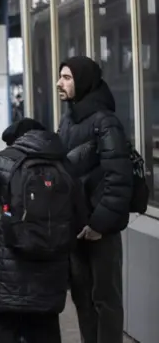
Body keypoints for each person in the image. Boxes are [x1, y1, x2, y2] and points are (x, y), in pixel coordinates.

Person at [0, 118, 86, 343]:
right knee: (46, 329)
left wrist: (0, 231)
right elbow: (79, 215)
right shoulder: (64, 164)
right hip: (50, 272)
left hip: (5, 272)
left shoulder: (4, 160)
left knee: (5, 329)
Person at [56, 56, 133, 343]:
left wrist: (99, 223)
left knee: (105, 301)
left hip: (100, 230)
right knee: (82, 299)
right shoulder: (69, 119)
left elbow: (119, 177)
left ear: (83, 80)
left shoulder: (105, 121)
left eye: (66, 77)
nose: (59, 83)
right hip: (76, 226)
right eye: (60, 77)